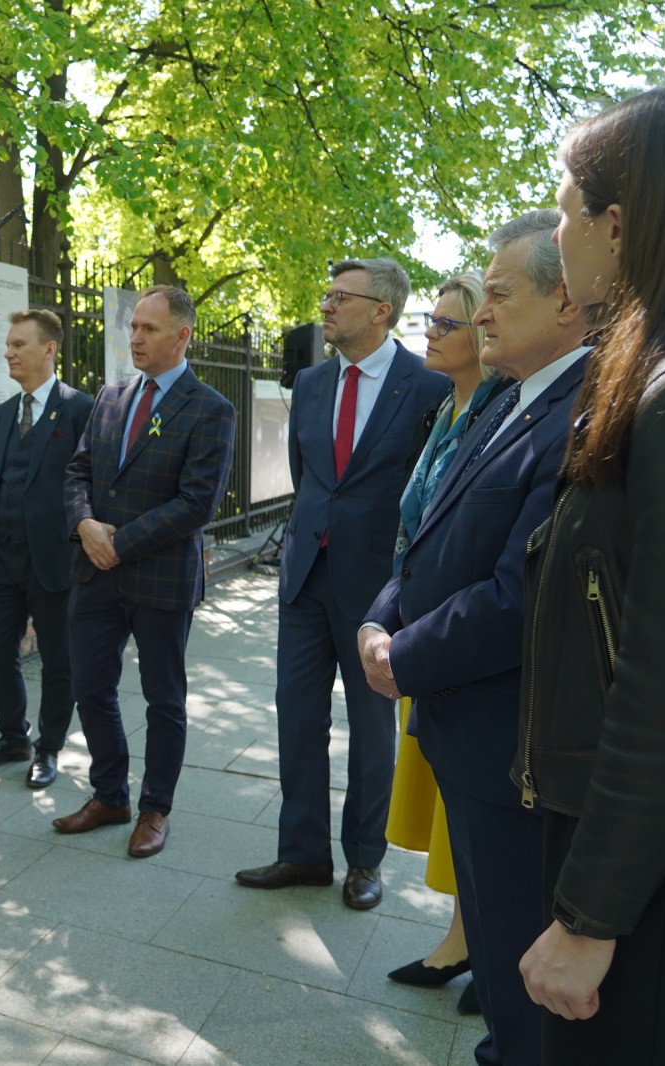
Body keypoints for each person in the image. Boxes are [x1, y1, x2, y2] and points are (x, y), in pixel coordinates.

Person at [360, 209, 592, 1066]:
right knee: (499, 976)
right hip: (467, 735)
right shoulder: (507, 399)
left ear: (567, 304)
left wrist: (402, 654)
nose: (480, 313)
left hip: (510, 749)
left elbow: (518, 594)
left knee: (522, 1006)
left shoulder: (581, 410)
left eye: (497, 294)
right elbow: (431, 537)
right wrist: (383, 610)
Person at [516, 84, 665, 1065]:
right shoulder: (663, 368)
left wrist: (589, 914)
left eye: (562, 213)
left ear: (616, 223)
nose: (558, 237)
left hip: (657, 881)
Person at [236, 258, 448, 908]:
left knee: (371, 727)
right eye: (326, 295)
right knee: (297, 716)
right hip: (304, 577)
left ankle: (365, 860)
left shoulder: (426, 386)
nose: (325, 307)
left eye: (339, 297)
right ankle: (301, 854)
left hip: (376, 590)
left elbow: (429, 497)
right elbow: (311, 478)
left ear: (382, 310)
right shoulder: (310, 380)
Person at [54, 284, 234, 858]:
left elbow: (197, 502)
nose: (135, 337)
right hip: (95, 574)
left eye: (149, 329)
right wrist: (85, 526)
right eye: (133, 327)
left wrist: (119, 544)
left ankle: (156, 808)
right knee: (89, 686)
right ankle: (111, 795)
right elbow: (77, 471)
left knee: (164, 699)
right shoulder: (111, 396)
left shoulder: (211, 408)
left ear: (182, 336)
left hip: (159, 579)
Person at [385, 273, 509, 1012]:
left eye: (444, 323)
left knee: (470, 807)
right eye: (429, 320)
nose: (428, 332)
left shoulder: (496, 410)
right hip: (421, 633)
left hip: (457, 641)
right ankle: (465, 938)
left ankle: (479, 945)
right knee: (446, 805)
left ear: (480, 342)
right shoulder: (445, 409)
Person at [0, 309, 93, 787]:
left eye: (19, 344)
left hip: (56, 560)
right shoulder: (3, 414)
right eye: (8, 344)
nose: (9, 352)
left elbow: (90, 481)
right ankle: (12, 736)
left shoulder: (80, 409)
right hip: (2, 557)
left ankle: (50, 747)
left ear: (49, 349)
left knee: (60, 659)